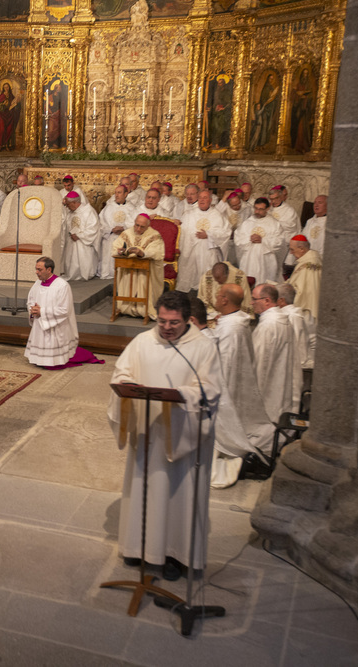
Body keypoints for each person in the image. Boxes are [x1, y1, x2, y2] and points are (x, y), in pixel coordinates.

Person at [108, 290, 222, 580]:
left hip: (183, 435)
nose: (167, 328)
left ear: (187, 319)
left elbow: (212, 389)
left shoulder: (202, 347)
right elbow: (120, 373)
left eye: (174, 323)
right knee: (144, 490)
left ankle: (177, 554)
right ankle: (139, 548)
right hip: (148, 433)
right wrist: (126, 385)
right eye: (162, 321)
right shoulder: (143, 341)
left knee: (178, 496)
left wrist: (181, 396)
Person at [210, 283, 274, 488]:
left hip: (226, 385)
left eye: (219, 295)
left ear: (225, 300)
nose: (217, 297)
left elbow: (225, 363)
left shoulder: (231, 328)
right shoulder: (236, 320)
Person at [251, 283, 294, 423]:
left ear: (267, 301)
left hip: (267, 386)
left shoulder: (267, 326)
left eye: (254, 299)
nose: (251, 303)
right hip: (280, 379)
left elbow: (258, 360)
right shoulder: (283, 320)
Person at [25, 257, 78, 368]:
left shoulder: (62, 285)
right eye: (36, 269)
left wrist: (42, 312)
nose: (36, 272)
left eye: (39, 270)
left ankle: (53, 360)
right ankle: (38, 358)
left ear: (49, 270)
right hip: (39, 322)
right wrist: (33, 310)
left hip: (56, 326)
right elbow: (30, 300)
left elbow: (65, 310)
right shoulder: (37, 283)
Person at [111, 214, 165, 320]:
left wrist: (142, 253)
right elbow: (115, 247)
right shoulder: (126, 233)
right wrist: (121, 251)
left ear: (148, 226)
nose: (138, 229)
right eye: (137, 225)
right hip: (127, 269)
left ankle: (143, 309)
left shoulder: (154, 235)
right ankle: (126, 307)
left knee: (143, 282)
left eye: (142, 227)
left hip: (145, 271)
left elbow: (157, 252)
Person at [176, 190, 231, 292]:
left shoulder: (217, 215)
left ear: (210, 200)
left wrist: (209, 235)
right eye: (200, 197)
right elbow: (182, 231)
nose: (202, 200)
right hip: (191, 250)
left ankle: (207, 292)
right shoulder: (189, 214)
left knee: (208, 280)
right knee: (190, 277)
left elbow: (225, 232)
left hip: (209, 251)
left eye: (205, 198)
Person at [277, 283, 311, 413]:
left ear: (281, 300)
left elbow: (295, 344)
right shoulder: (289, 315)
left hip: (294, 366)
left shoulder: (292, 317)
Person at [234, 196, 282, 286]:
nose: (257, 212)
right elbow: (238, 239)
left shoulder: (274, 224)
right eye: (255, 208)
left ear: (267, 209)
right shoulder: (247, 223)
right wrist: (249, 239)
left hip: (266, 261)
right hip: (249, 261)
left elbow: (278, 242)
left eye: (260, 209)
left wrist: (263, 240)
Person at [286, 234, 321, 346]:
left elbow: (300, 290)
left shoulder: (307, 265)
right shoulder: (314, 259)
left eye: (292, 249)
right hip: (314, 305)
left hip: (306, 308)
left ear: (301, 249)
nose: (291, 253)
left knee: (305, 342)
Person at [61, 191, 99, 281]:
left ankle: (85, 274)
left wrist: (79, 235)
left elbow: (93, 229)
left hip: (83, 244)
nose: (67, 207)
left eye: (68, 204)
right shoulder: (70, 212)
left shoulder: (89, 211)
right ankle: (71, 274)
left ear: (74, 202)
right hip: (71, 242)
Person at [98, 185, 133, 280]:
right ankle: (108, 273)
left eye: (119, 192)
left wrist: (124, 228)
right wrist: (111, 229)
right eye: (116, 192)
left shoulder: (132, 208)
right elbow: (101, 223)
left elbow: (134, 224)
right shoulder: (108, 208)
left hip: (125, 238)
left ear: (126, 194)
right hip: (110, 237)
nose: (116, 195)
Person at [269, 185, 300, 264]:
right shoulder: (268, 209)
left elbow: (290, 227)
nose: (273, 202)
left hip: (283, 243)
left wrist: (273, 224)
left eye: (275, 199)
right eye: (271, 199)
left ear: (280, 197)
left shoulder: (289, 210)